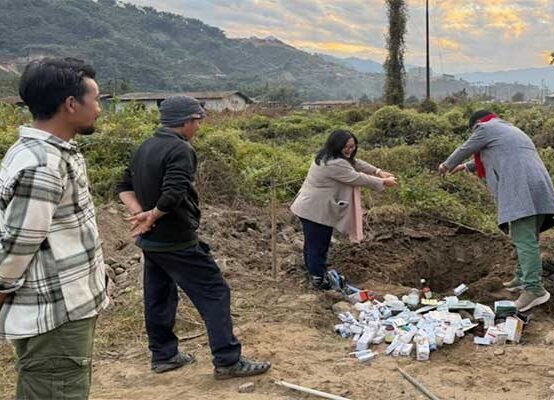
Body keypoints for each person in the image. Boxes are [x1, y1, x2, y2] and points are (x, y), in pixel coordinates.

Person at [117, 95, 271, 380]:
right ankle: (227, 360)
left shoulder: (144, 146)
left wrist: (142, 214)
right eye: (198, 120)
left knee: (159, 296)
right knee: (215, 292)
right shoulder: (180, 149)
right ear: (187, 121)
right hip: (176, 238)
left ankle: (164, 356)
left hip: (151, 241)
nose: (199, 126)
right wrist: (152, 215)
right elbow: (174, 193)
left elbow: (123, 186)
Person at [0, 58, 109, 399]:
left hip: (66, 305)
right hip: (56, 312)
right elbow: (17, 245)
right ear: (71, 104)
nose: (100, 109)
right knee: (57, 389)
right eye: (97, 100)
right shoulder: (42, 165)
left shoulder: (45, 152)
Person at [438, 110, 554, 312]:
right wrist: (466, 168)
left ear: (476, 124)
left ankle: (534, 290)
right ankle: (522, 278)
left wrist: (446, 165)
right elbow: (499, 155)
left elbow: (466, 148)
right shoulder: (507, 128)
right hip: (538, 186)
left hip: (521, 187)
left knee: (524, 239)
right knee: (527, 236)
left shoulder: (485, 128)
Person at [290, 130, 397, 290]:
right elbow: (357, 177)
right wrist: (383, 182)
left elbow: (356, 163)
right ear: (336, 145)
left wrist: (377, 171)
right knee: (318, 245)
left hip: (311, 208)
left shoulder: (329, 156)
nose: (350, 150)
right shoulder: (335, 164)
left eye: (352, 146)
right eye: (346, 147)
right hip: (315, 211)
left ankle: (315, 273)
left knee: (313, 244)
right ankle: (319, 279)